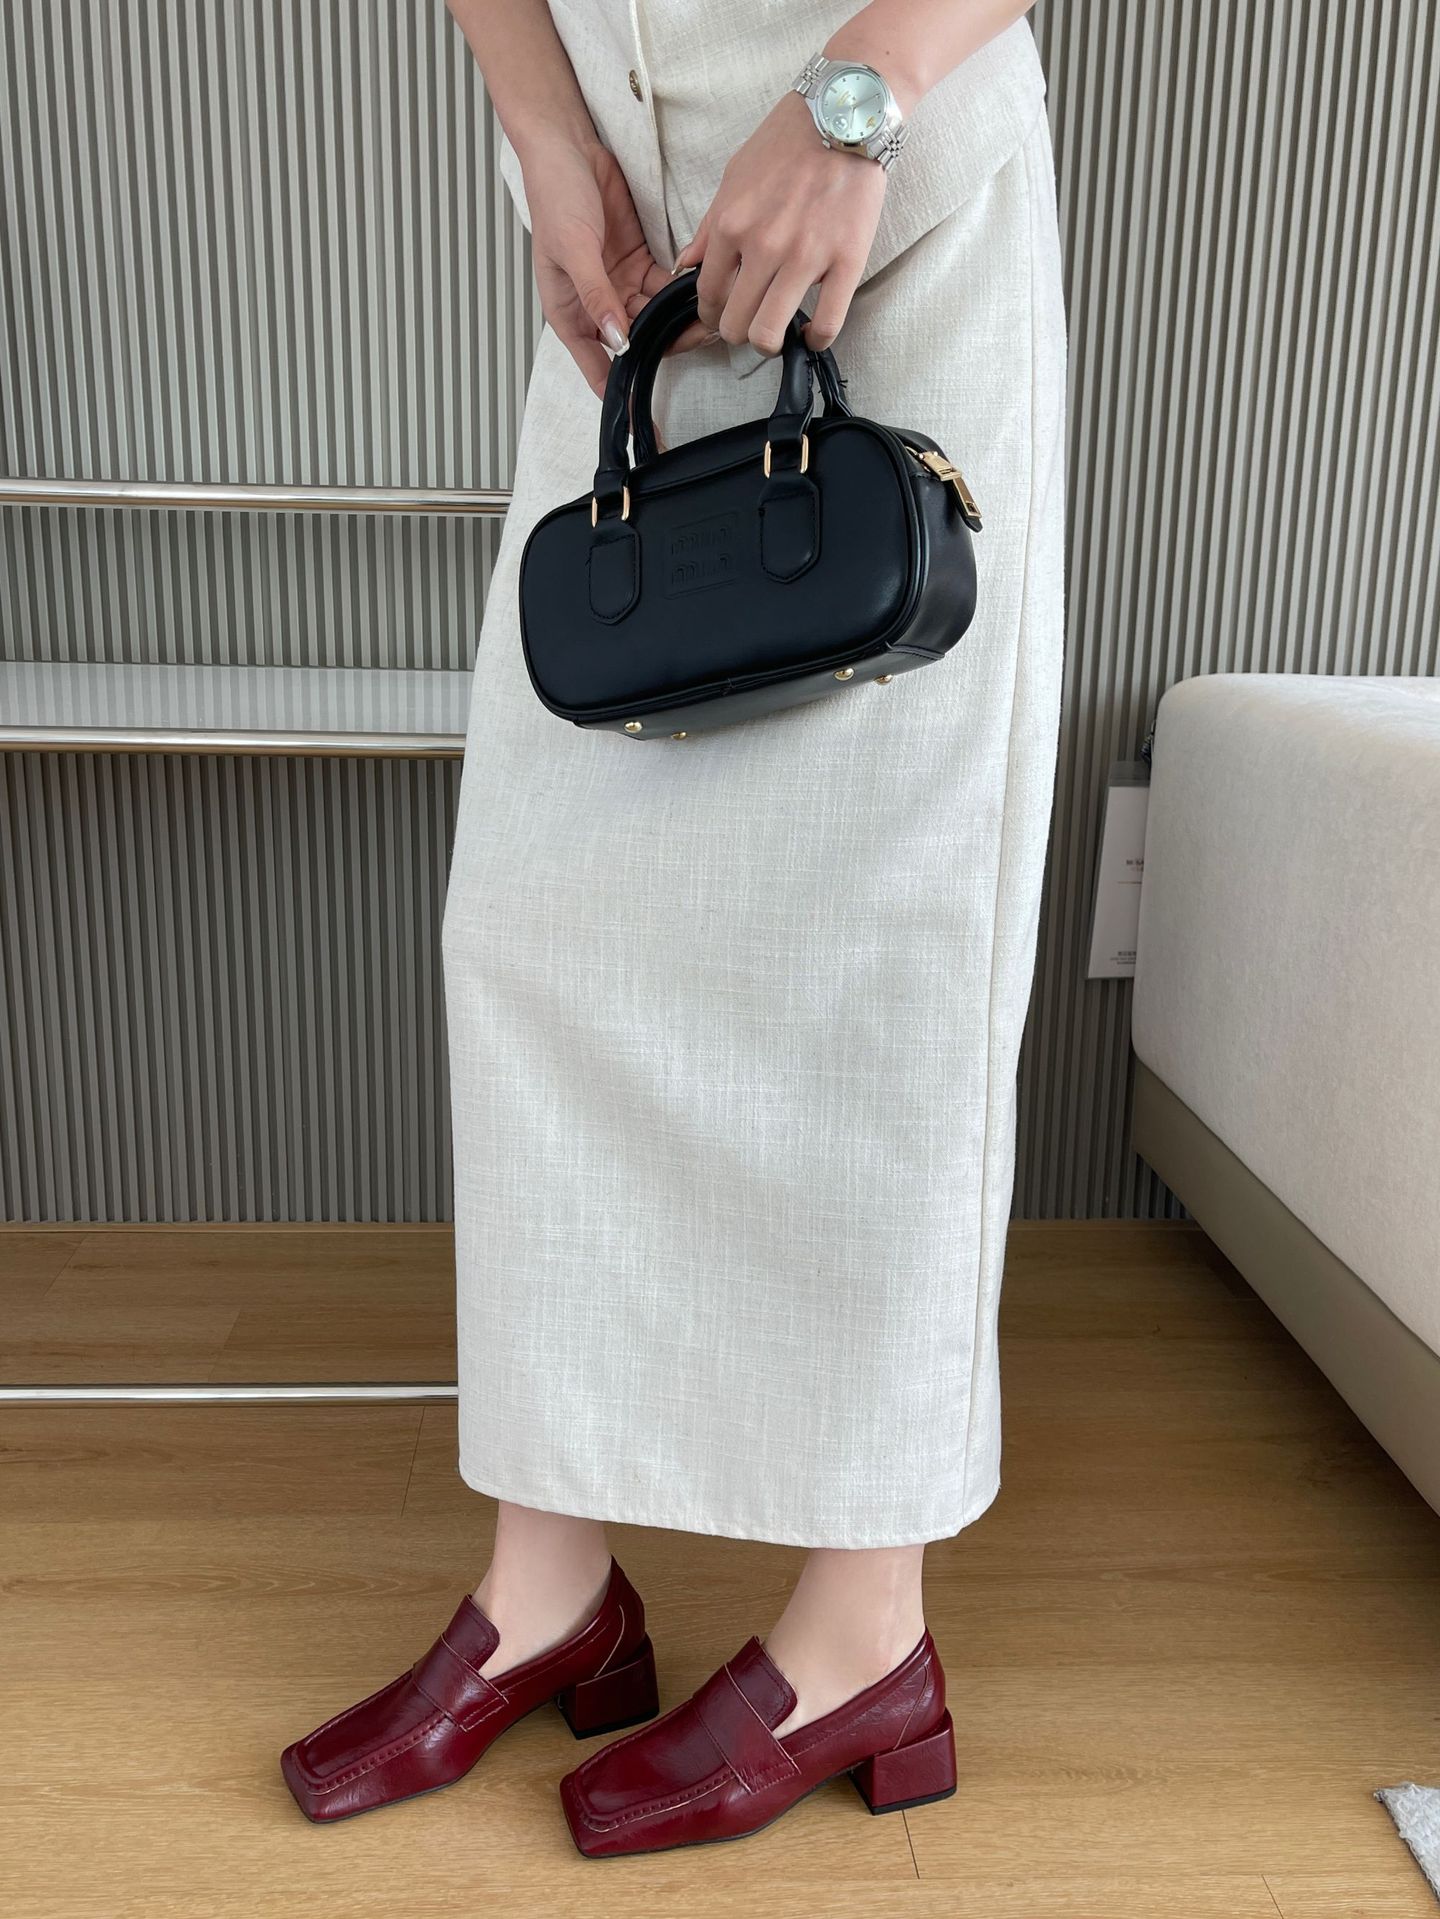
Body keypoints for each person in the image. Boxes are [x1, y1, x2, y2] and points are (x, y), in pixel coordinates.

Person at [281, 0, 1065, 1855]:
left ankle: (864, 1632)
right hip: (622, 238)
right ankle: (550, 1588)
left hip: (886, 189)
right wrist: (542, 134)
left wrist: (858, 98)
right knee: (538, 934)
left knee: (880, 959)